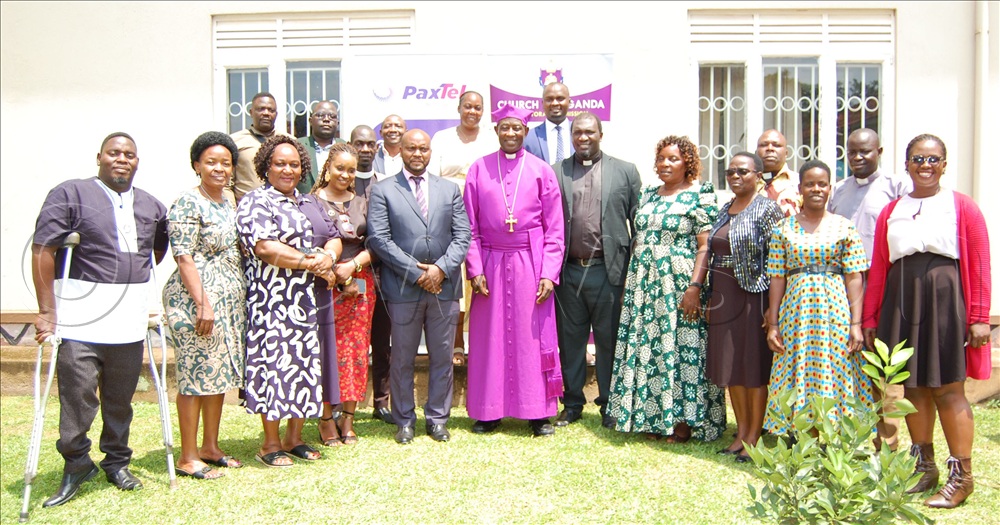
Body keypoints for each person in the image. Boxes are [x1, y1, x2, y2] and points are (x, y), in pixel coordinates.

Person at [31, 132, 168, 506]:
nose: (122, 159)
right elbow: (44, 249)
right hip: (79, 320)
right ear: (99, 157)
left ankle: (116, 461)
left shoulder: (152, 206)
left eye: (129, 154)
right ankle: (76, 462)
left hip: (127, 321)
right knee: (77, 396)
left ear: (137, 162)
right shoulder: (69, 194)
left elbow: (156, 249)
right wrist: (47, 312)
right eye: (114, 153)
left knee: (120, 398)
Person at [863, 134, 991, 509]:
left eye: (934, 159)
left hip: (945, 298)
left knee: (948, 388)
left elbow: (980, 263)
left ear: (944, 164)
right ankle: (924, 469)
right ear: (907, 164)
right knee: (913, 387)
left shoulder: (961, 207)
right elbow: (880, 266)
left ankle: (961, 477)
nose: (926, 165)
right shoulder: (893, 210)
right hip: (900, 300)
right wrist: (871, 315)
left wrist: (980, 317)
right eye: (918, 158)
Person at [607, 135, 725, 443]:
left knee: (681, 347)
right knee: (649, 347)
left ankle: (684, 421)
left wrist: (695, 287)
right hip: (644, 284)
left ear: (687, 162)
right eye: (661, 159)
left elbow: (704, 246)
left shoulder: (700, 195)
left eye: (673, 158)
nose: (665, 164)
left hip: (680, 282)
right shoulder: (648, 194)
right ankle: (652, 416)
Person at [236, 135, 342, 467]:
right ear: (266, 166)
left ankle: (294, 438)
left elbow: (335, 235)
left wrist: (327, 255)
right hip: (272, 300)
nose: (288, 169)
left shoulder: (308, 201)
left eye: (294, 164)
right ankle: (269, 443)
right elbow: (265, 248)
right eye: (280, 163)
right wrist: (310, 262)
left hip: (306, 302)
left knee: (302, 366)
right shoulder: (256, 201)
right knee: (273, 366)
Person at [464, 105, 565, 438]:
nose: (510, 134)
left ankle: (539, 412)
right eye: (504, 128)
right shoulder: (478, 170)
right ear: (496, 131)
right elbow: (469, 226)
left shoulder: (541, 170)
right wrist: (475, 268)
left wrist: (549, 273)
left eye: (516, 129)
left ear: (525, 131)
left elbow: (555, 228)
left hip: (530, 262)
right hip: (490, 262)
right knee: (488, 338)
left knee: (532, 338)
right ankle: (488, 412)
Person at [367, 129, 472, 445]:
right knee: (402, 356)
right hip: (402, 289)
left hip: (444, 287)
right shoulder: (384, 190)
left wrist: (440, 269)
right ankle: (404, 420)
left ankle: (437, 419)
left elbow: (462, 235)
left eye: (422, 149)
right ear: (400, 150)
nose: (417, 154)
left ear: (430, 152)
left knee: (442, 356)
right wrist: (416, 272)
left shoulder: (449, 189)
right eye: (410, 148)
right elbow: (379, 240)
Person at [764, 160, 871, 437]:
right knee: (798, 367)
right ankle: (803, 438)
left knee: (835, 367)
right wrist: (773, 323)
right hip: (796, 311)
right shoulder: (783, 228)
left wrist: (856, 323)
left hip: (834, 311)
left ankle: (835, 439)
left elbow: (854, 276)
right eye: (810, 184)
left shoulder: (844, 227)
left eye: (822, 184)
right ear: (800, 189)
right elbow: (777, 276)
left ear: (829, 189)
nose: (816, 189)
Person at [162, 131, 246, 480]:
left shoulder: (229, 201)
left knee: (218, 374)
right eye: (211, 162)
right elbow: (183, 257)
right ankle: (187, 455)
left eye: (225, 163)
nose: (219, 168)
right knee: (195, 375)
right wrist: (203, 304)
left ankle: (210, 447)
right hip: (195, 302)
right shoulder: (187, 201)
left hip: (227, 301)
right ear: (196, 165)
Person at [551, 112, 641, 430]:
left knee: (608, 341)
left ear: (601, 134)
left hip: (609, 270)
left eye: (590, 132)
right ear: (571, 136)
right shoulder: (556, 172)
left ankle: (610, 404)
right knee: (570, 340)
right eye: (578, 133)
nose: (583, 138)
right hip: (569, 271)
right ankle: (573, 403)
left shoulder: (625, 171)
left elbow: (638, 223)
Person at [827, 127, 910, 451]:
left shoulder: (896, 187)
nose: (858, 157)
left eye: (866, 151)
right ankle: (854, 440)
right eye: (852, 152)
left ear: (880, 152)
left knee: (884, 365)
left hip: (883, 286)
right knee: (850, 364)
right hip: (843, 288)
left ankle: (887, 446)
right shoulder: (839, 190)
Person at [701, 152, 783, 463]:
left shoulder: (767, 210)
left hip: (753, 294)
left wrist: (772, 309)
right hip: (724, 294)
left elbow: (777, 259)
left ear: (759, 175)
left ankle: (753, 436)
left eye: (743, 171)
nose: (735, 176)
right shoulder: (725, 208)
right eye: (731, 170)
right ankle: (740, 432)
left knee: (752, 369)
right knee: (731, 367)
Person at [311, 143, 375, 446]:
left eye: (351, 170)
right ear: (328, 166)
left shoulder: (363, 202)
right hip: (323, 284)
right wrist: (336, 274)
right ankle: (326, 418)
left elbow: (376, 244)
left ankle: (348, 419)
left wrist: (352, 266)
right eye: (340, 168)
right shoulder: (311, 201)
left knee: (356, 352)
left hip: (361, 283)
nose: (345, 175)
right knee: (327, 353)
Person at [428, 90, 497, 365]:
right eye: (467, 106)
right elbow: (433, 177)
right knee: (454, 278)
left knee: (481, 279)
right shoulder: (443, 138)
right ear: (459, 108)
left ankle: (481, 343)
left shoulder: (492, 139)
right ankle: (457, 344)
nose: (472, 111)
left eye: (478, 108)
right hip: (449, 213)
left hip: (484, 214)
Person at [350, 124, 394, 424]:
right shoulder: (340, 182)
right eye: (359, 144)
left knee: (382, 341)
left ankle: (381, 401)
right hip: (349, 275)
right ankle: (342, 403)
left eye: (369, 145)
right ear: (349, 146)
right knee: (350, 342)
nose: (365, 149)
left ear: (376, 149)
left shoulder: (387, 186)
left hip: (383, 274)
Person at [231, 92, 292, 203]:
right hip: (247, 211)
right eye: (261, 109)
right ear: (251, 112)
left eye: (271, 110)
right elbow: (227, 183)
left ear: (276, 114)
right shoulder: (235, 141)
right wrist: (235, 211)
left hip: (282, 209)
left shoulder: (289, 142)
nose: (266, 113)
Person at [297, 100, 347, 194]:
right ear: (310, 121)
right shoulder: (298, 146)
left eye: (332, 117)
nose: (326, 119)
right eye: (320, 115)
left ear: (337, 123)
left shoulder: (346, 148)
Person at [524, 82, 574, 163]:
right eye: (549, 99)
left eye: (560, 98)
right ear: (543, 103)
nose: (554, 103)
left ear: (569, 102)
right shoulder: (529, 137)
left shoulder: (581, 134)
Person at [755, 129, 800, 217]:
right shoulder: (747, 184)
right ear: (756, 153)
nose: (770, 149)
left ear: (786, 153)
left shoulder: (799, 182)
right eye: (764, 145)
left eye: (776, 145)